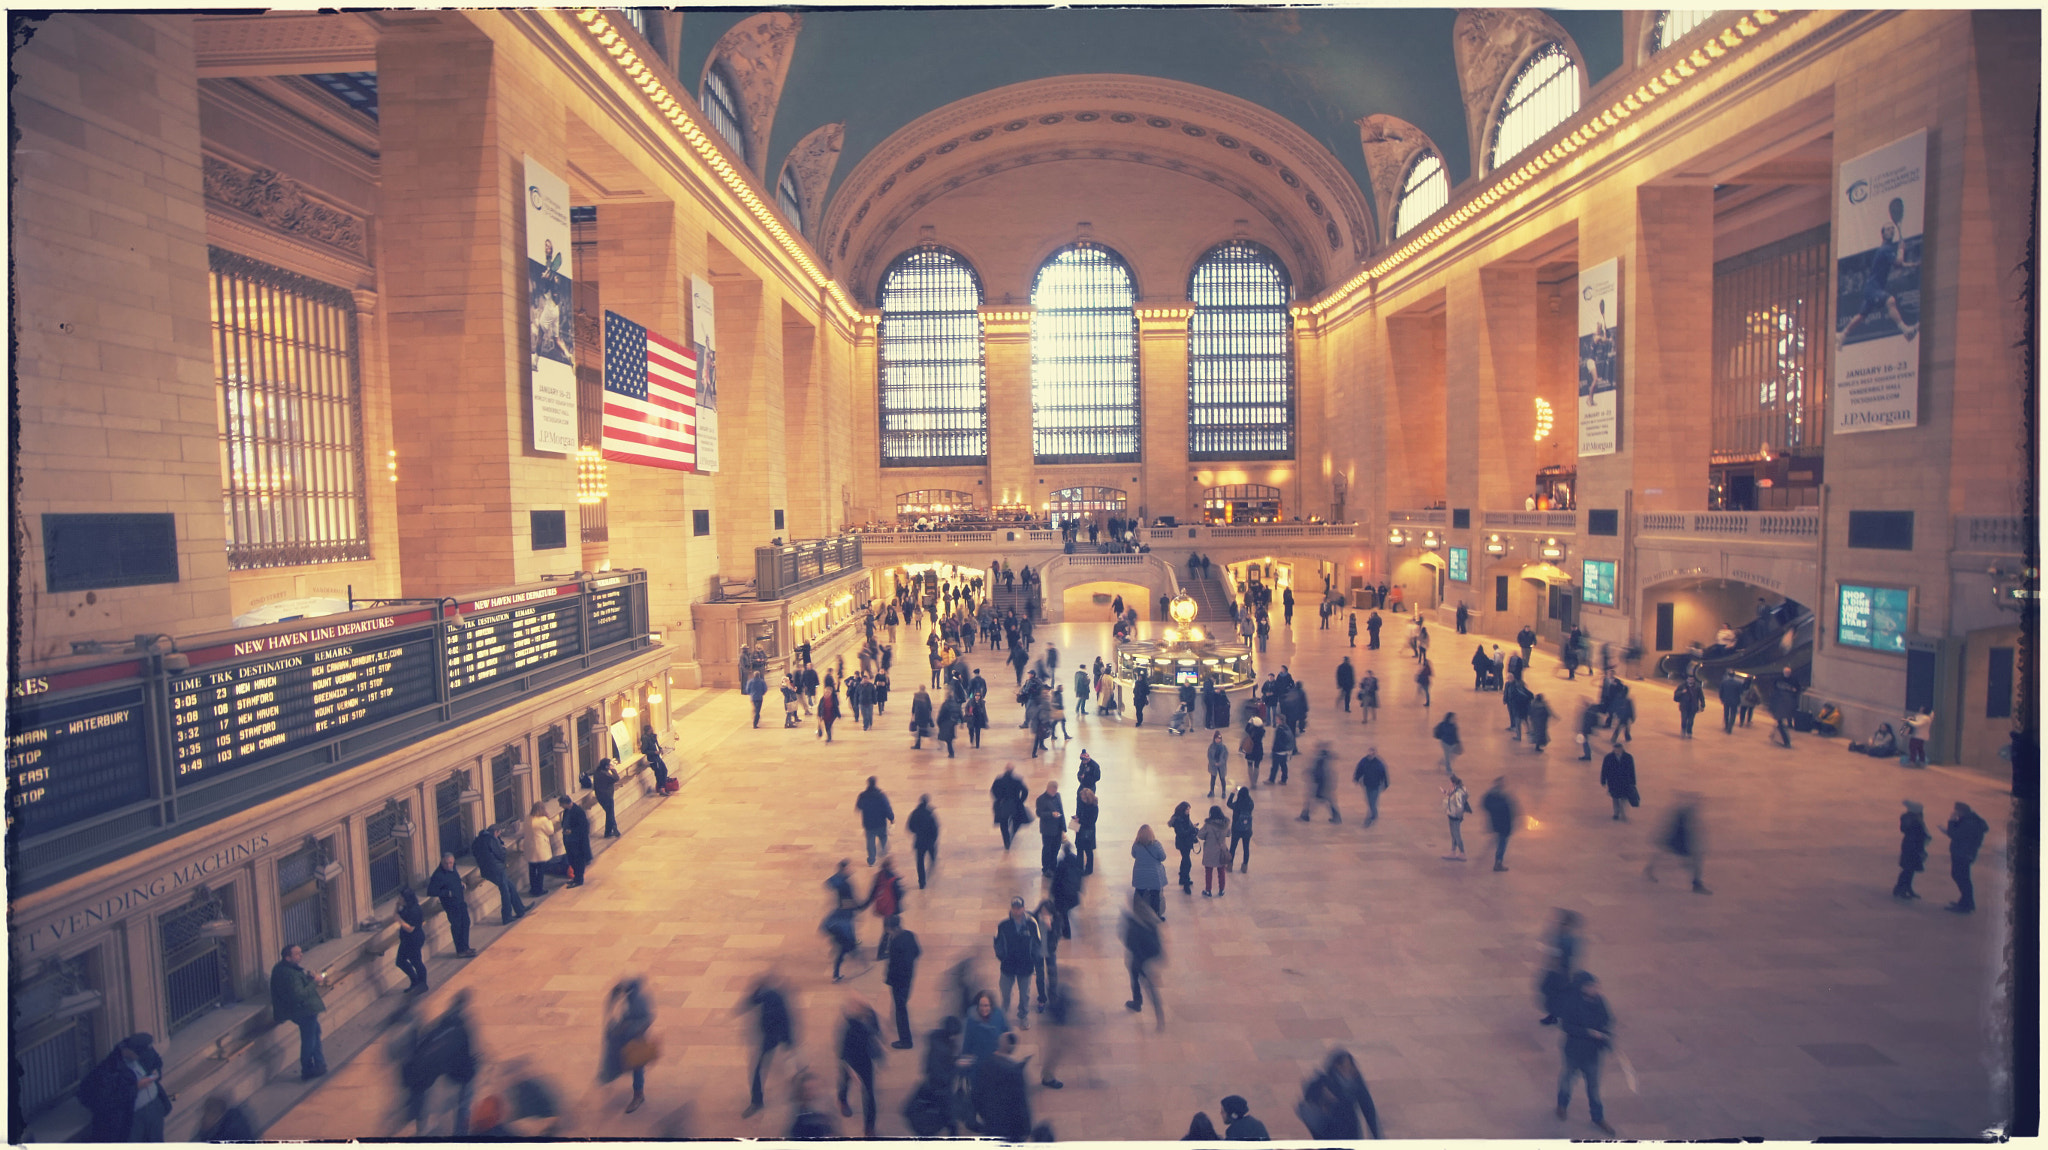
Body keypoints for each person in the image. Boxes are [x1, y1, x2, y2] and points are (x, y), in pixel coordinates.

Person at [1555, 972, 1617, 1135]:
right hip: (1574, 1052)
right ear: (1583, 988)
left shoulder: (1599, 1001)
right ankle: (1562, 1105)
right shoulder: (1571, 1003)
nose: (1595, 989)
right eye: (1592, 986)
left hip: (1592, 1054)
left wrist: (1603, 1034)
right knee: (1567, 1079)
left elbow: (1608, 1019)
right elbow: (1567, 1026)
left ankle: (1598, 1117)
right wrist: (1588, 1032)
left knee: (1594, 1087)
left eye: (1596, 986)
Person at [78, 1033, 170, 1141]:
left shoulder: (144, 1051)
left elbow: (157, 1061)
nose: (141, 1057)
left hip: (154, 1108)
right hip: (132, 1117)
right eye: (138, 1055)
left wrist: (156, 1072)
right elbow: (111, 1098)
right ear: (128, 1051)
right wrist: (136, 1087)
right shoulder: (109, 1069)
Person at [740, 974, 796, 1118]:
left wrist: (788, 1041)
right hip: (771, 1037)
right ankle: (757, 1101)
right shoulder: (767, 994)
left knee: (790, 1066)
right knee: (759, 1069)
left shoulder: (775, 997)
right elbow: (751, 1002)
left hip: (775, 1037)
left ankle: (758, 1101)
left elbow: (786, 1019)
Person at [1297, 1049, 1382, 1139]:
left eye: (1351, 1064)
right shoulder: (1323, 1083)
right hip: (1331, 1133)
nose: (1351, 1068)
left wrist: (1376, 1135)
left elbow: (1368, 1107)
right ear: (1337, 1066)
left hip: (1351, 1131)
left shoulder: (1356, 1080)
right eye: (1347, 1065)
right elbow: (1310, 1104)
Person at [600, 977, 655, 1114]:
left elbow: (648, 1019)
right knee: (619, 1058)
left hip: (636, 1037)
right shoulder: (630, 997)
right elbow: (614, 995)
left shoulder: (639, 1001)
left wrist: (630, 1027)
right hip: (626, 1035)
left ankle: (638, 1095)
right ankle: (609, 1076)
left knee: (637, 1066)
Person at [969, 1032, 1034, 1142]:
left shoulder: (986, 1065)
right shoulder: (1015, 1071)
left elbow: (975, 1094)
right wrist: (1026, 1129)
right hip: (1012, 1129)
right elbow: (1021, 1103)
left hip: (991, 1123)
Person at [835, 1001, 885, 1137]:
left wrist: (879, 1057)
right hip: (851, 1062)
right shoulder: (849, 1028)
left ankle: (869, 1128)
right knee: (846, 1082)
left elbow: (876, 1037)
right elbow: (843, 1053)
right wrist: (851, 1071)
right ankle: (842, 1099)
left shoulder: (870, 1018)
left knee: (869, 1095)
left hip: (865, 1062)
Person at [993, 896, 1043, 1029]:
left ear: (1023, 908)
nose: (1016, 911)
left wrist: (1033, 958)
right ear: (1011, 909)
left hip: (1025, 966)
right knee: (1005, 992)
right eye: (1014, 908)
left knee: (1025, 994)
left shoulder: (1032, 924)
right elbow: (997, 942)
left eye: (1019, 908)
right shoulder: (1003, 925)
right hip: (1008, 966)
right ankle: (1003, 1015)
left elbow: (1038, 943)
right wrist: (1002, 957)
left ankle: (1023, 1016)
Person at [1645, 794, 1710, 893]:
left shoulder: (1680, 815)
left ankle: (1649, 869)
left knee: (1664, 854)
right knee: (1693, 861)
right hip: (1680, 843)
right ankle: (1696, 884)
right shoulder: (1683, 816)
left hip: (1676, 842)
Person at [1122, 892, 1165, 1027]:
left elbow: (1130, 942)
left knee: (1136, 980)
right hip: (1150, 957)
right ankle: (1158, 1013)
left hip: (1139, 959)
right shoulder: (1151, 918)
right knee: (1151, 987)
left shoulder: (1134, 923)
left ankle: (1137, 1002)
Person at [471, 824, 527, 925]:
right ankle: (507, 916)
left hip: (487, 870)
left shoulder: (478, 840)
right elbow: (501, 853)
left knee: (511, 886)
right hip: (497, 869)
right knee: (505, 891)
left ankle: (520, 909)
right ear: (496, 832)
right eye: (499, 833)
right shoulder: (492, 839)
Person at [1941, 801, 1991, 913]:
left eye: (1956, 810)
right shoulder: (1969, 820)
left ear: (1961, 811)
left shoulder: (1969, 823)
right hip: (1964, 853)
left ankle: (1966, 904)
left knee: (1961, 877)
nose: (1954, 812)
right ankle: (1966, 902)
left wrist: (1951, 820)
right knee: (1962, 877)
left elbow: (1954, 834)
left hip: (1962, 854)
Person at [1537, 909, 1583, 1026]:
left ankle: (1559, 1015)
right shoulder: (1562, 935)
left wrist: (1547, 950)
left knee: (1556, 994)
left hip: (1560, 972)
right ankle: (1553, 1015)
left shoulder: (1568, 939)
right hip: (1557, 970)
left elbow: (1562, 954)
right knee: (1552, 993)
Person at [427, 851, 475, 958]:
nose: (449, 865)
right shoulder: (438, 875)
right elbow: (431, 891)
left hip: (460, 901)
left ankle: (466, 947)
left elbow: (455, 879)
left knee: (466, 922)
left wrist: (460, 883)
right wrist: (446, 893)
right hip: (451, 905)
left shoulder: (453, 869)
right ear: (442, 862)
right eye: (446, 863)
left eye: (450, 863)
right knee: (457, 926)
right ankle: (460, 950)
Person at [394, 885, 429, 992]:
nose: (399, 899)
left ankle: (422, 983)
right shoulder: (405, 907)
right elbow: (396, 914)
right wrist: (397, 906)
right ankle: (414, 980)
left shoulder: (415, 910)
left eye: (400, 898)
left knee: (416, 961)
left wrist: (399, 920)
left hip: (414, 939)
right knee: (400, 961)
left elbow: (410, 929)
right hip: (406, 940)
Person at [1894, 800, 1932, 900]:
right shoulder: (1914, 820)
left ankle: (1905, 887)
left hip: (1910, 845)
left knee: (1910, 869)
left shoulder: (1909, 818)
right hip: (1913, 846)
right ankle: (1901, 888)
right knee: (1908, 869)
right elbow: (1917, 833)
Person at [1131, 824, 1168, 918]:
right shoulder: (1156, 845)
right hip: (1154, 875)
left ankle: (1138, 914)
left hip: (1140, 874)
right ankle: (1155, 915)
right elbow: (1163, 857)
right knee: (1155, 895)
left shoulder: (1136, 845)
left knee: (1139, 894)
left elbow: (1133, 855)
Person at [526, 799, 562, 897]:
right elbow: (550, 831)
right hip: (540, 848)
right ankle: (539, 889)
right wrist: (549, 819)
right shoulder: (543, 820)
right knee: (541, 870)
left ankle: (533, 888)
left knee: (532, 870)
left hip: (530, 848)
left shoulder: (528, 818)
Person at [856, 777, 895, 866]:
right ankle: (882, 852)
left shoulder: (863, 795)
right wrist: (891, 818)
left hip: (868, 824)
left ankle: (871, 860)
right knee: (883, 838)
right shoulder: (881, 795)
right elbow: (887, 808)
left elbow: (859, 806)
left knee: (870, 842)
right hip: (881, 823)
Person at [990, 765, 1029, 850]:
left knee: (1003, 824)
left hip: (1003, 804)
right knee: (1017, 820)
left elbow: (993, 790)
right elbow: (1025, 791)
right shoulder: (1018, 780)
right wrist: (1021, 800)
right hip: (1015, 804)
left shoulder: (999, 780)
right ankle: (1013, 833)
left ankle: (1006, 841)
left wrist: (998, 798)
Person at [1482, 776, 1517, 872]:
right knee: (1502, 844)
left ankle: (1498, 861)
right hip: (1503, 825)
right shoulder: (1503, 797)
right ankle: (1498, 863)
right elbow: (1510, 812)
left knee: (1499, 841)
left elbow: (1485, 804)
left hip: (1496, 823)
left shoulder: (1490, 795)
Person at [1298, 746, 1340, 824]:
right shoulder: (1324, 762)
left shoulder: (1320, 762)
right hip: (1323, 787)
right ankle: (1336, 817)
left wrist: (1310, 773)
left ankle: (1305, 816)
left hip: (1320, 787)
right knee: (1328, 801)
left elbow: (1319, 774)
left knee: (1311, 801)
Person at [557, 794, 592, 886]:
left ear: (565, 803)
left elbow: (583, 827)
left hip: (577, 841)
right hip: (569, 841)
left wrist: (571, 831)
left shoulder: (578, 811)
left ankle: (579, 879)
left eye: (562, 804)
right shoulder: (566, 811)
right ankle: (576, 877)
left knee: (578, 860)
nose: (561, 807)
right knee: (572, 859)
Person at [908, 795, 940, 889]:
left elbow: (910, 826)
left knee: (920, 862)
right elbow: (935, 829)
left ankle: (922, 881)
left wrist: (917, 832)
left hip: (919, 841)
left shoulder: (915, 813)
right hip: (929, 842)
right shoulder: (930, 814)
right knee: (932, 856)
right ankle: (932, 865)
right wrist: (934, 839)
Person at [1600, 743, 1639, 821]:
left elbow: (1632, 770)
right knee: (1615, 798)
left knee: (1624, 798)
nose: (1617, 751)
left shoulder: (1628, 757)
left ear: (1622, 749)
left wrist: (1633, 781)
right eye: (1615, 749)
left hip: (1625, 781)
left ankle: (1623, 813)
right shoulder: (1608, 757)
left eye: (1618, 749)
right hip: (1613, 782)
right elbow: (1604, 770)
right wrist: (1603, 780)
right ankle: (1616, 813)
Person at [1199, 803, 1231, 896]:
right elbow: (1228, 834)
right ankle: (1222, 889)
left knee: (1208, 871)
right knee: (1221, 871)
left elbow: (1200, 835)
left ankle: (1208, 890)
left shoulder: (1208, 825)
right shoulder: (1226, 824)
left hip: (1210, 850)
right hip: (1222, 851)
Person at [1168, 801, 1199, 894]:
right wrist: (1192, 829)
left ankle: (1182, 878)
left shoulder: (1184, 817)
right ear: (1183, 810)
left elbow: (1186, 829)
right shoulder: (1178, 820)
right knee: (1187, 863)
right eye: (1187, 809)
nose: (1189, 811)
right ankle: (1186, 883)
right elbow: (1182, 833)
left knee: (1184, 860)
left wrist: (1192, 827)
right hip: (1183, 843)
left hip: (1186, 843)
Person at [1035, 781, 1066, 876]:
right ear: (1048, 789)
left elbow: (1061, 811)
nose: (1055, 792)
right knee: (1047, 849)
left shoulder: (1057, 796)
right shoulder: (1041, 799)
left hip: (1057, 828)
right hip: (1047, 830)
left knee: (1056, 848)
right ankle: (1046, 868)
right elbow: (1039, 813)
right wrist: (1051, 814)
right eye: (1053, 790)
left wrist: (1063, 828)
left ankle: (1053, 866)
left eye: (1056, 790)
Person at [1768, 669, 1801, 748]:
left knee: (1781, 724)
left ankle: (1785, 741)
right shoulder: (1779, 680)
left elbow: (1797, 691)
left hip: (1785, 705)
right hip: (1781, 705)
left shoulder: (1792, 681)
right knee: (1781, 723)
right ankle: (1785, 741)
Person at [1441, 775, 1470, 860]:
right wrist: (1445, 792)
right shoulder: (1455, 789)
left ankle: (1462, 853)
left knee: (1456, 834)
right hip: (1452, 814)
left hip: (1455, 816)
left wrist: (1458, 815)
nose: (1449, 783)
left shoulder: (1458, 793)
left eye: (1450, 782)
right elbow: (1451, 796)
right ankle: (1453, 851)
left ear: (1453, 782)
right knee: (1453, 834)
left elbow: (1459, 805)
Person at [1227, 785, 1255, 872]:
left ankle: (1230, 866)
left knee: (1233, 847)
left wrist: (1233, 793)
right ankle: (1244, 867)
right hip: (1247, 830)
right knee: (1246, 848)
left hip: (1236, 829)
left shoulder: (1237, 805)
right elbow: (1248, 798)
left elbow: (1228, 803)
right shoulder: (1250, 804)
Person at [591, 757, 621, 838]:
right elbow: (616, 778)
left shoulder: (597, 772)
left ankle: (611, 830)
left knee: (609, 813)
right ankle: (611, 829)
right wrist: (613, 770)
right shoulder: (604, 774)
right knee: (610, 813)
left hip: (601, 796)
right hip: (607, 796)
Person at [639, 724, 670, 794]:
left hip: (658, 757)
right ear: (647, 731)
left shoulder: (653, 737)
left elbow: (657, 745)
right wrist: (654, 752)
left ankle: (663, 787)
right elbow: (644, 750)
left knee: (664, 770)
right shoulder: (645, 738)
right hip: (653, 759)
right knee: (658, 773)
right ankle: (661, 788)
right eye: (650, 730)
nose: (652, 730)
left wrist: (660, 749)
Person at [1075, 788, 1101, 874]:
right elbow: (1079, 813)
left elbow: (1091, 821)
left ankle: (1089, 869)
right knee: (1079, 849)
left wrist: (1080, 820)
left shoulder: (1094, 807)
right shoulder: (1082, 803)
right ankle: (1079, 867)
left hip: (1088, 832)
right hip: (1080, 830)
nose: (1082, 799)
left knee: (1088, 850)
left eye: (1084, 798)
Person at [1239, 718, 1266, 789]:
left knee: (1250, 765)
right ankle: (1255, 781)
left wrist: (1249, 721)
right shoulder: (1262, 731)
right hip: (1259, 749)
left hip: (1250, 749)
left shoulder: (1251, 731)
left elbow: (1246, 729)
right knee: (1257, 766)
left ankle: (1252, 782)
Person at [1206, 731, 1231, 798]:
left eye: (1219, 738)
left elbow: (1225, 756)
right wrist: (1214, 763)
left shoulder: (1223, 747)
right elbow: (1209, 756)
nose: (1218, 740)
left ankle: (1223, 792)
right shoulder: (1211, 747)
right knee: (1213, 778)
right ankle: (1211, 791)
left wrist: (1220, 763)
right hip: (1213, 765)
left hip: (1221, 766)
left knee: (1222, 778)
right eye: (1216, 738)